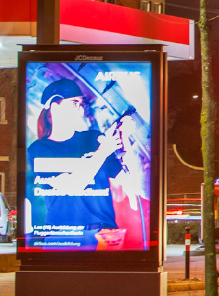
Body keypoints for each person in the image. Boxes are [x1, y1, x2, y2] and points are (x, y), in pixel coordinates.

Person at [26, 78, 145, 250]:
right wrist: (103, 151)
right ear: (54, 106)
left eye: (82, 104)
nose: (80, 110)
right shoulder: (40, 149)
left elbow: (132, 185)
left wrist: (124, 139)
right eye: (74, 103)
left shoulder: (92, 139)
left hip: (105, 236)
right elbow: (71, 185)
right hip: (62, 239)